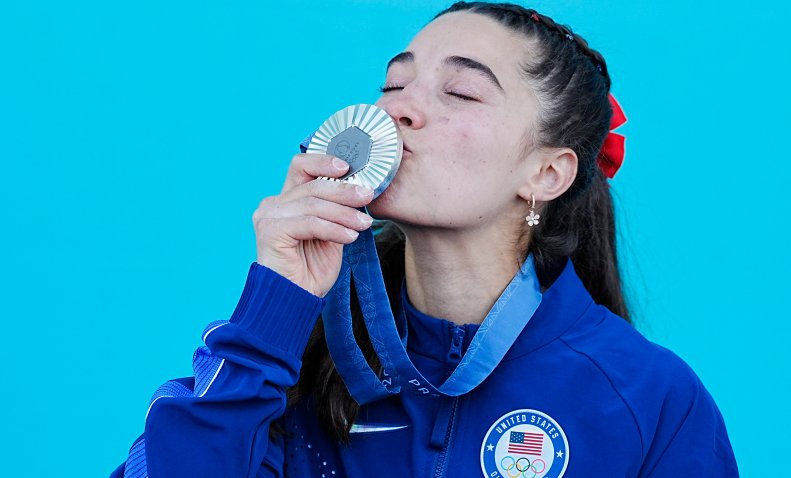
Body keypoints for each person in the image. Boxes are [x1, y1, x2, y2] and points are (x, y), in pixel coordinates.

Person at [111, 2, 738, 477]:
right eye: (393, 86)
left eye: (460, 91)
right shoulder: (295, 367)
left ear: (547, 173)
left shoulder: (649, 398)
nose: (400, 110)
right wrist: (274, 307)